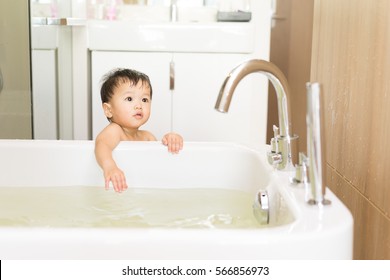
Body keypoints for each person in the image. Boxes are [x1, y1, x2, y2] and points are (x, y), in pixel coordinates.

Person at [95, 68, 183, 193]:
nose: (139, 105)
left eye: (144, 100)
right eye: (129, 99)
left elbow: (160, 162)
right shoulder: (115, 131)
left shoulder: (147, 137)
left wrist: (171, 139)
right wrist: (109, 166)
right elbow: (102, 144)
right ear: (109, 110)